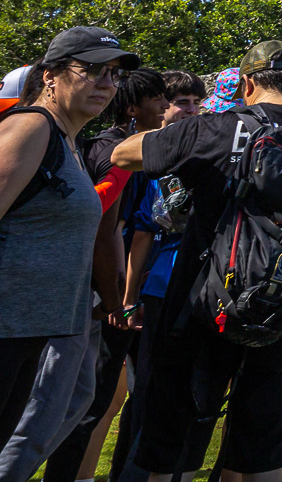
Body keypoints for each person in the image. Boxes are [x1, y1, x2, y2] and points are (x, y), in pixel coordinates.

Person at [110, 40, 282, 482]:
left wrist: (179, 137)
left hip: (202, 305)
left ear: (245, 84)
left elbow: (121, 155)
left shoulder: (218, 128)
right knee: (262, 456)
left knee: (169, 448)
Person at [0, 28, 136, 482]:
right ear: (51, 75)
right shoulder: (30, 128)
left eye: (114, 75)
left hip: (23, 334)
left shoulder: (68, 141)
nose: (107, 83)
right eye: (92, 71)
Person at [41, 68, 170, 482]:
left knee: (117, 396)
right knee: (85, 400)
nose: (166, 106)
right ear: (132, 108)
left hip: (119, 289)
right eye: (160, 98)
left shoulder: (130, 151)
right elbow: (107, 228)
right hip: (105, 295)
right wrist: (117, 298)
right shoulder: (112, 153)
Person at [103, 71, 204, 482]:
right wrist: (127, 297)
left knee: (175, 391)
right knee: (145, 391)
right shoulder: (147, 160)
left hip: (185, 286)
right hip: (156, 286)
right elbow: (136, 233)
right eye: (181, 103)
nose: (188, 111)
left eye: (197, 104)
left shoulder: (189, 155)